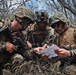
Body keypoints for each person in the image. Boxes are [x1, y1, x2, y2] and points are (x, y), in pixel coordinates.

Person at [0, 6, 34, 74]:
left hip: (6, 62)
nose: (28, 26)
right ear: (21, 20)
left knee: (19, 60)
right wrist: (4, 46)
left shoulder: (21, 35)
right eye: (28, 23)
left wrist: (35, 51)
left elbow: (25, 52)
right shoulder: (1, 25)